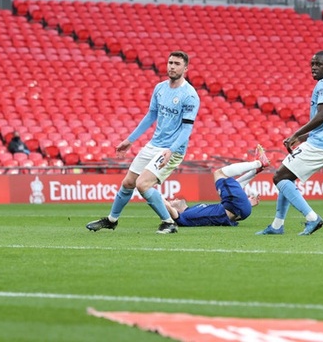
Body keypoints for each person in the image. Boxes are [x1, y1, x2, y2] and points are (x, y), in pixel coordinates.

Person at [86, 51, 200, 234]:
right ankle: (111, 220)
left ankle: (169, 222)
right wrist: (130, 140)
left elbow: (187, 130)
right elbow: (151, 116)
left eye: (177, 64)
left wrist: (170, 150)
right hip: (154, 144)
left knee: (143, 184)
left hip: (172, 149)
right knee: (128, 183)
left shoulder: (190, 96)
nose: (172, 66)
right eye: (170, 62)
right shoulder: (160, 88)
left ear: (185, 69)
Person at [257, 51, 323, 236]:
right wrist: (300, 138)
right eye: (312, 64)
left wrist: (297, 133)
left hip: (321, 143)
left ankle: (312, 218)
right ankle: (277, 225)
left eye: (318, 64)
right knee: (285, 177)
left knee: (279, 177)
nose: (314, 68)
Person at [165, 145, 269, 227]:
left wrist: (247, 204)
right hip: (236, 207)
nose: (176, 198)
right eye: (172, 201)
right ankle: (258, 163)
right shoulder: (183, 217)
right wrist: (149, 189)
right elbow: (167, 206)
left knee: (232, 185)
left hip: (237, 209)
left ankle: (255, 170)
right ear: (174, 211)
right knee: (219, 174)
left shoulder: (193, 209)